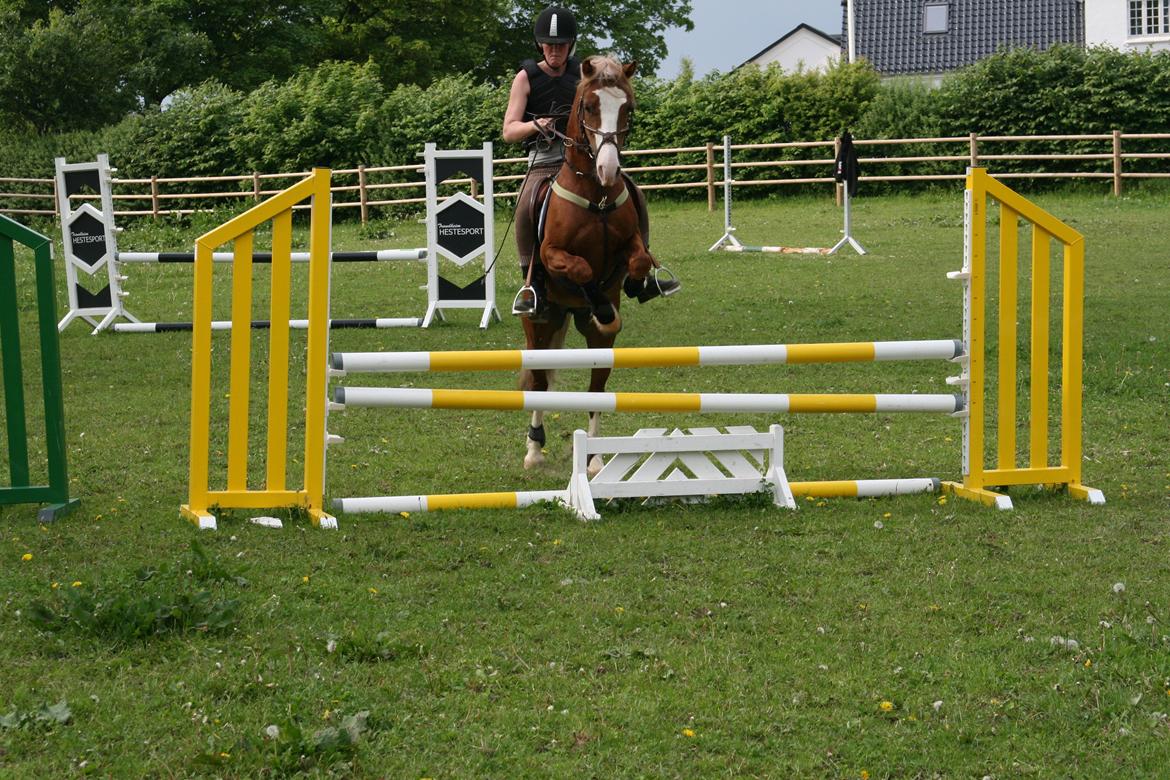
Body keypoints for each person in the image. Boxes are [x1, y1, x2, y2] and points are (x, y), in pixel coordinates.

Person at [503, 5, 677, 319]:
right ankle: (533, 283)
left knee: (634, 193)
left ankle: (644, 271)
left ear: (571, 45)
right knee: (527, 204)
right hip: (543, 158)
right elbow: (509, 130)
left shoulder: (583, 73)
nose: (555, 51)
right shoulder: (525, 77)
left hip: (586, 156)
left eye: (561, 45)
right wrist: (534, 125)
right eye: (549, 45)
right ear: (540, 45)